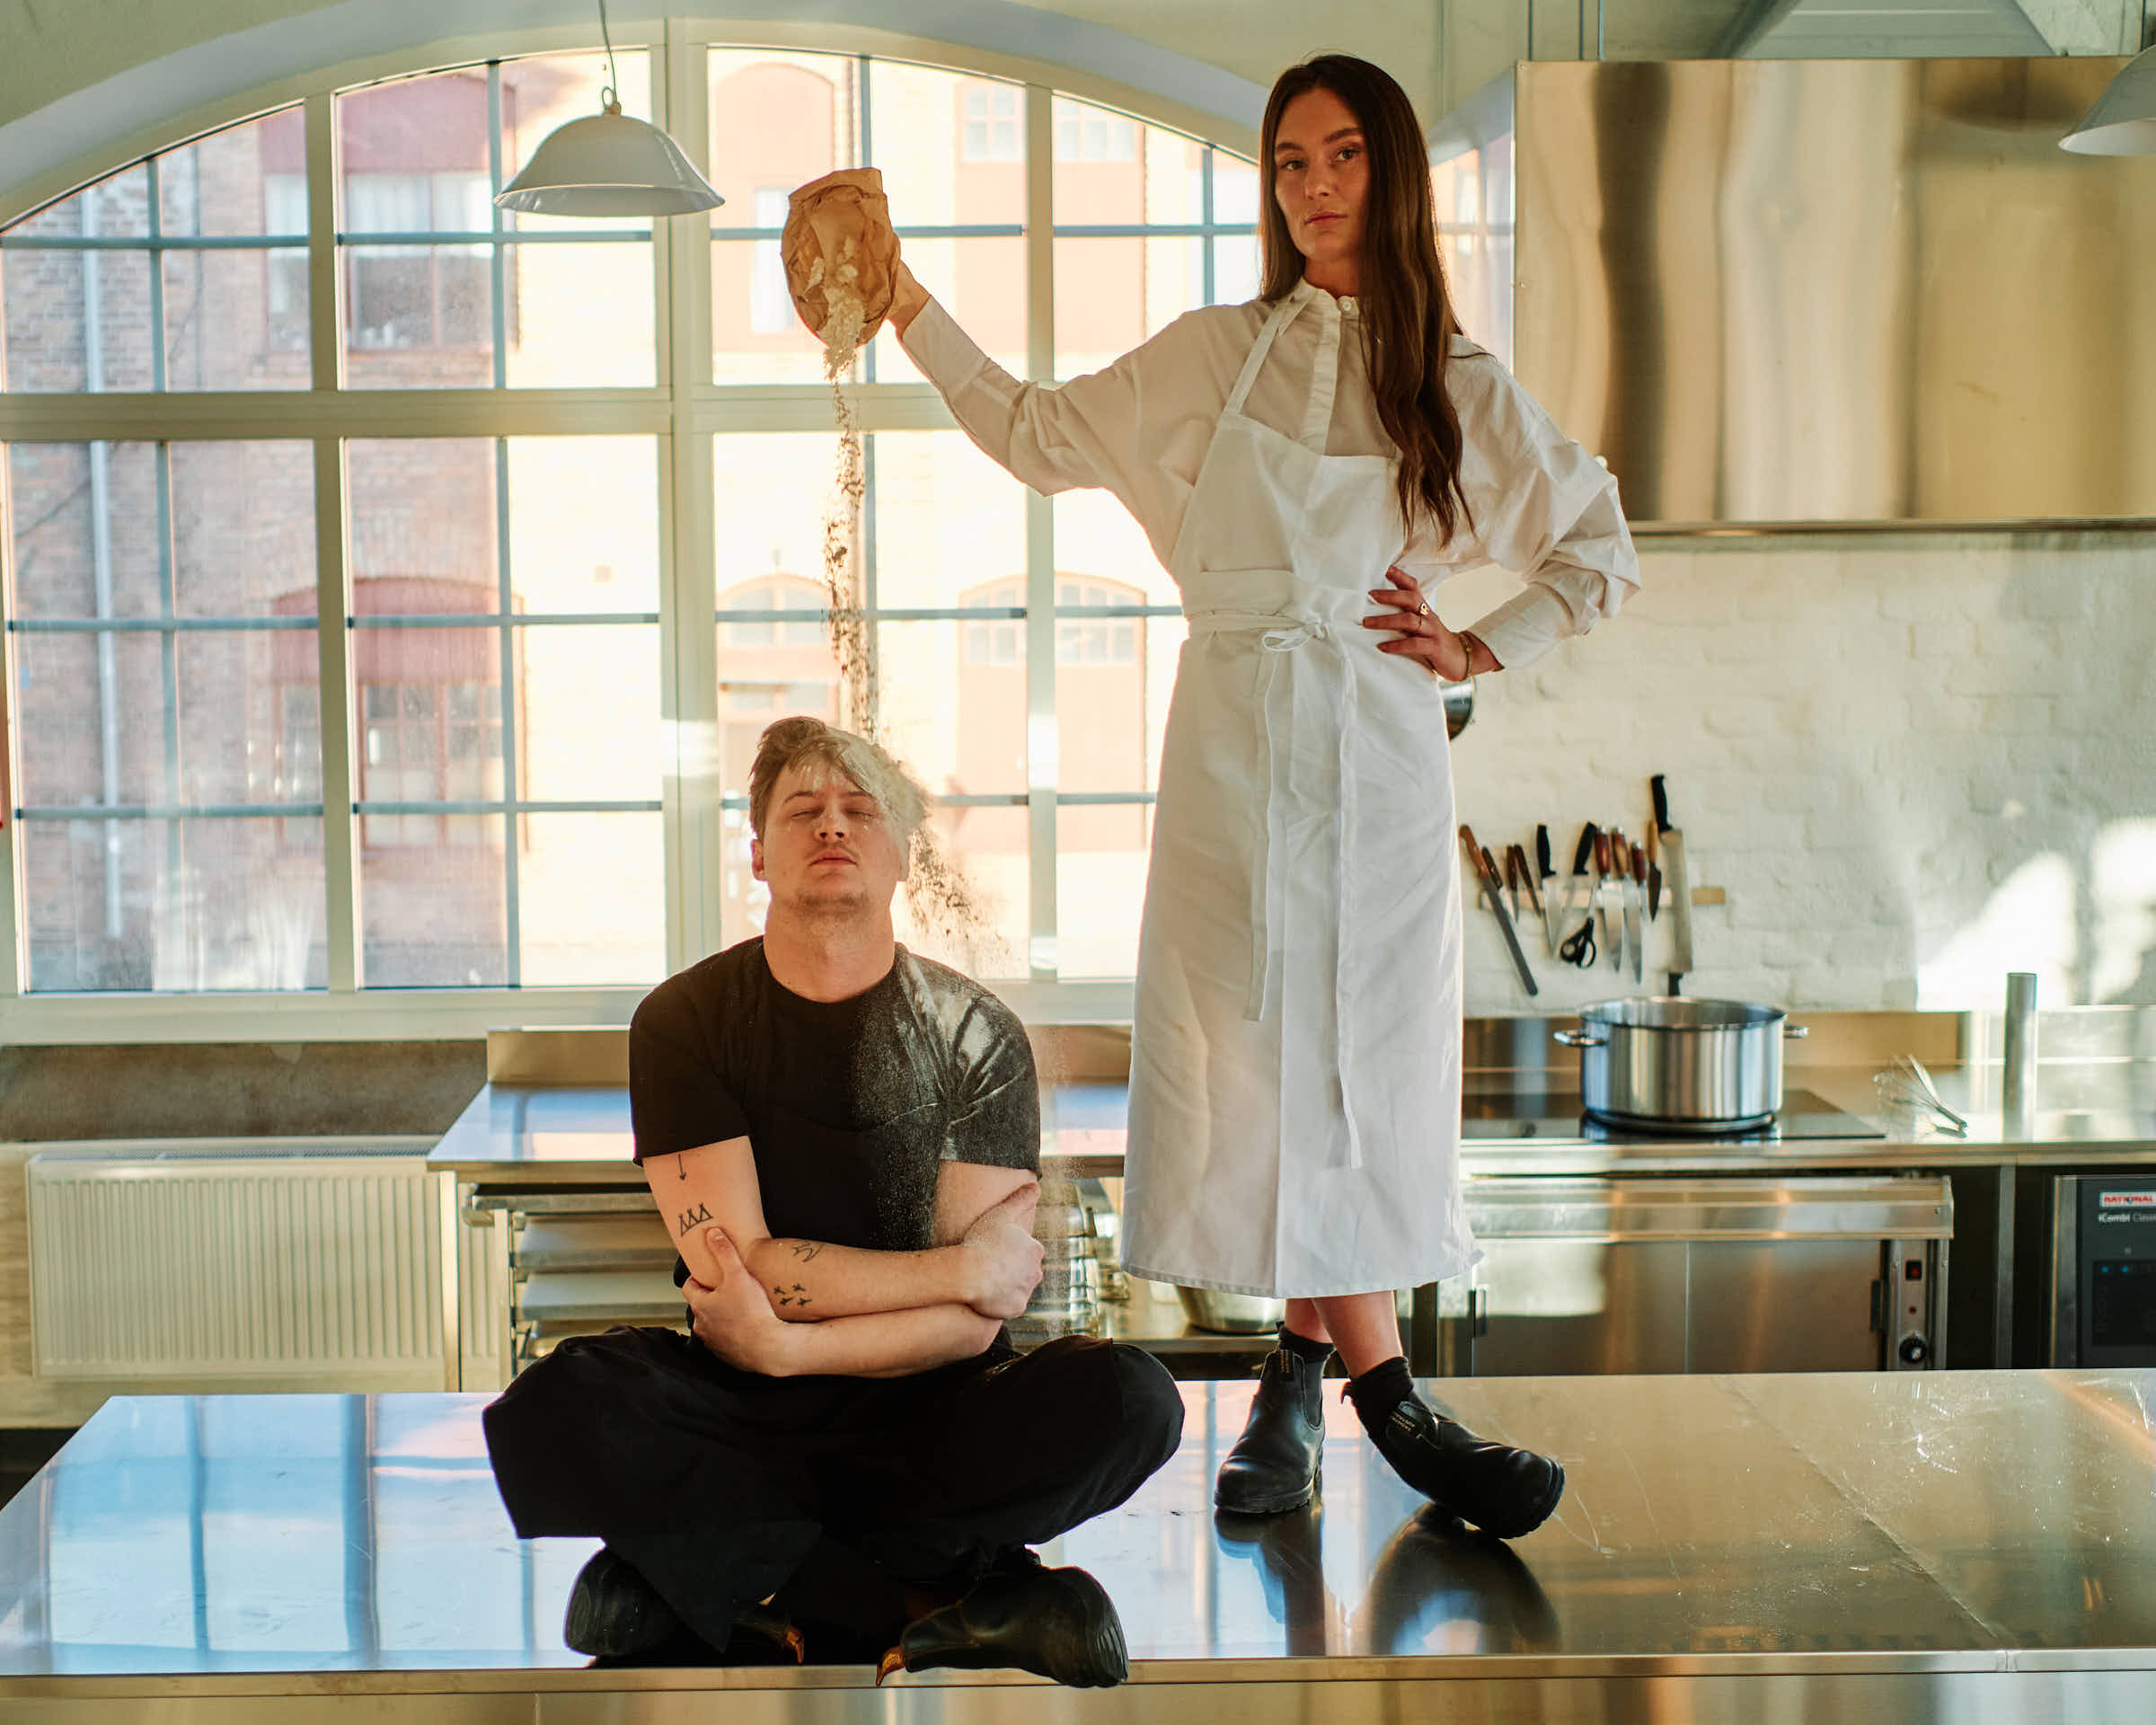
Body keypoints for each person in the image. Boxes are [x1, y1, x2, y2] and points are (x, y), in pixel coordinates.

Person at [861, 55, 1640, 1535]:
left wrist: (1483, 639)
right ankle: (1379, 1400)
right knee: (1256, 1070)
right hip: (1229, 743)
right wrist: (905, 301)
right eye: (1290, 163)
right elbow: (1031, 433)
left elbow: (1598, 548)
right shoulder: (1214, 354)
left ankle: (1309, 1389)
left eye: (1343, 156)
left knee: (1361, 1076)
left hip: (1378, 750)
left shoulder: (1455, 385)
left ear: (1392, 175)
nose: (1317, 186)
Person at [482, 716, 1185, 1686]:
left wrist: (792, 1342)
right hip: (744, 1408)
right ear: (759, 852)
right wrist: (942, 1276)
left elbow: (967, 1328)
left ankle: (750, 1585)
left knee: (1131, 1397)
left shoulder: (977, 1033)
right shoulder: (685, 1021)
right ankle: (937, 1591)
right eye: (802, 810)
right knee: (564, 1402)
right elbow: (746, 1267)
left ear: (903, 851)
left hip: (934, 1413)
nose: (833, 827)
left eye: (862, 810)